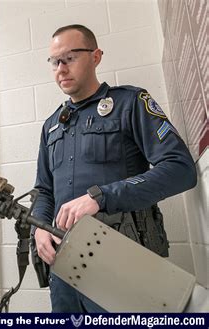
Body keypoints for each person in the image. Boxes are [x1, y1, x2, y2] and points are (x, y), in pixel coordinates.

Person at [32, 24, 197, 313]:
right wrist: (38, 229)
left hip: (123, 264)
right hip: (65, 268)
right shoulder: (52, 126)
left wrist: (100, 197)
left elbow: (180, 168)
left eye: (70, 58)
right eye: (55, 62)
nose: (61, 68)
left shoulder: (130, 103)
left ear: (96, 57)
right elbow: (44, 190)